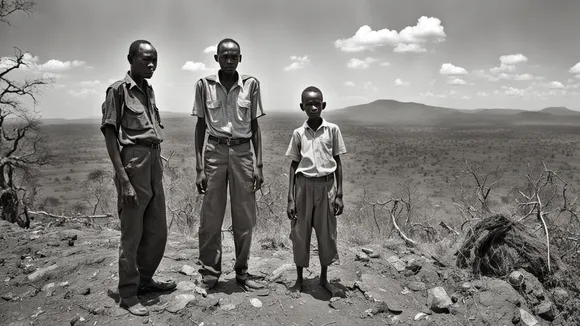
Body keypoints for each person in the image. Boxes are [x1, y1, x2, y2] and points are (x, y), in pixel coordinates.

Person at [101, 40, 175, 316]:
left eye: (155, 60)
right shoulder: (118, 90)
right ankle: (129, 293)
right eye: (146, 60)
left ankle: (145, 280)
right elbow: (110, 134)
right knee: (132, 232)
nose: (152, 65)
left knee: (157, 229)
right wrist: (123, 179)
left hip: (154, 160)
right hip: (133, 161)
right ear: (130, 59)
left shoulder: (148, 89)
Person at [192, 38, 266, 291]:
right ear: (216, 58)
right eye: (225, 56)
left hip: (243, 153)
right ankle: (210, 273)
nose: (230, 60)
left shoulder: (251, 85)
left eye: (234, 56)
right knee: (211, 216)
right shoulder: (204, 85)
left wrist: (259, 164)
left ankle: (242, 272)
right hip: (214, 151)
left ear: (240, 58)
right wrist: (200, 167)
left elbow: (255, 125)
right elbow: (200, 125)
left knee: (244, 216)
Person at [285, 86, 347, 298]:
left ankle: (323, 278)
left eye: (317, 103)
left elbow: (338, 162)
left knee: (326, 232)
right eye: (308, 104)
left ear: (323, 105)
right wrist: (291, 198)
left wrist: (339, 194)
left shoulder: (333, 130)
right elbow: (293, 165)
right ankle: (299, 280)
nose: (313, 107)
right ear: (302, 106)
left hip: (326, 186)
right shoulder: (298, 134)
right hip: (303, 186)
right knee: (300, 233)